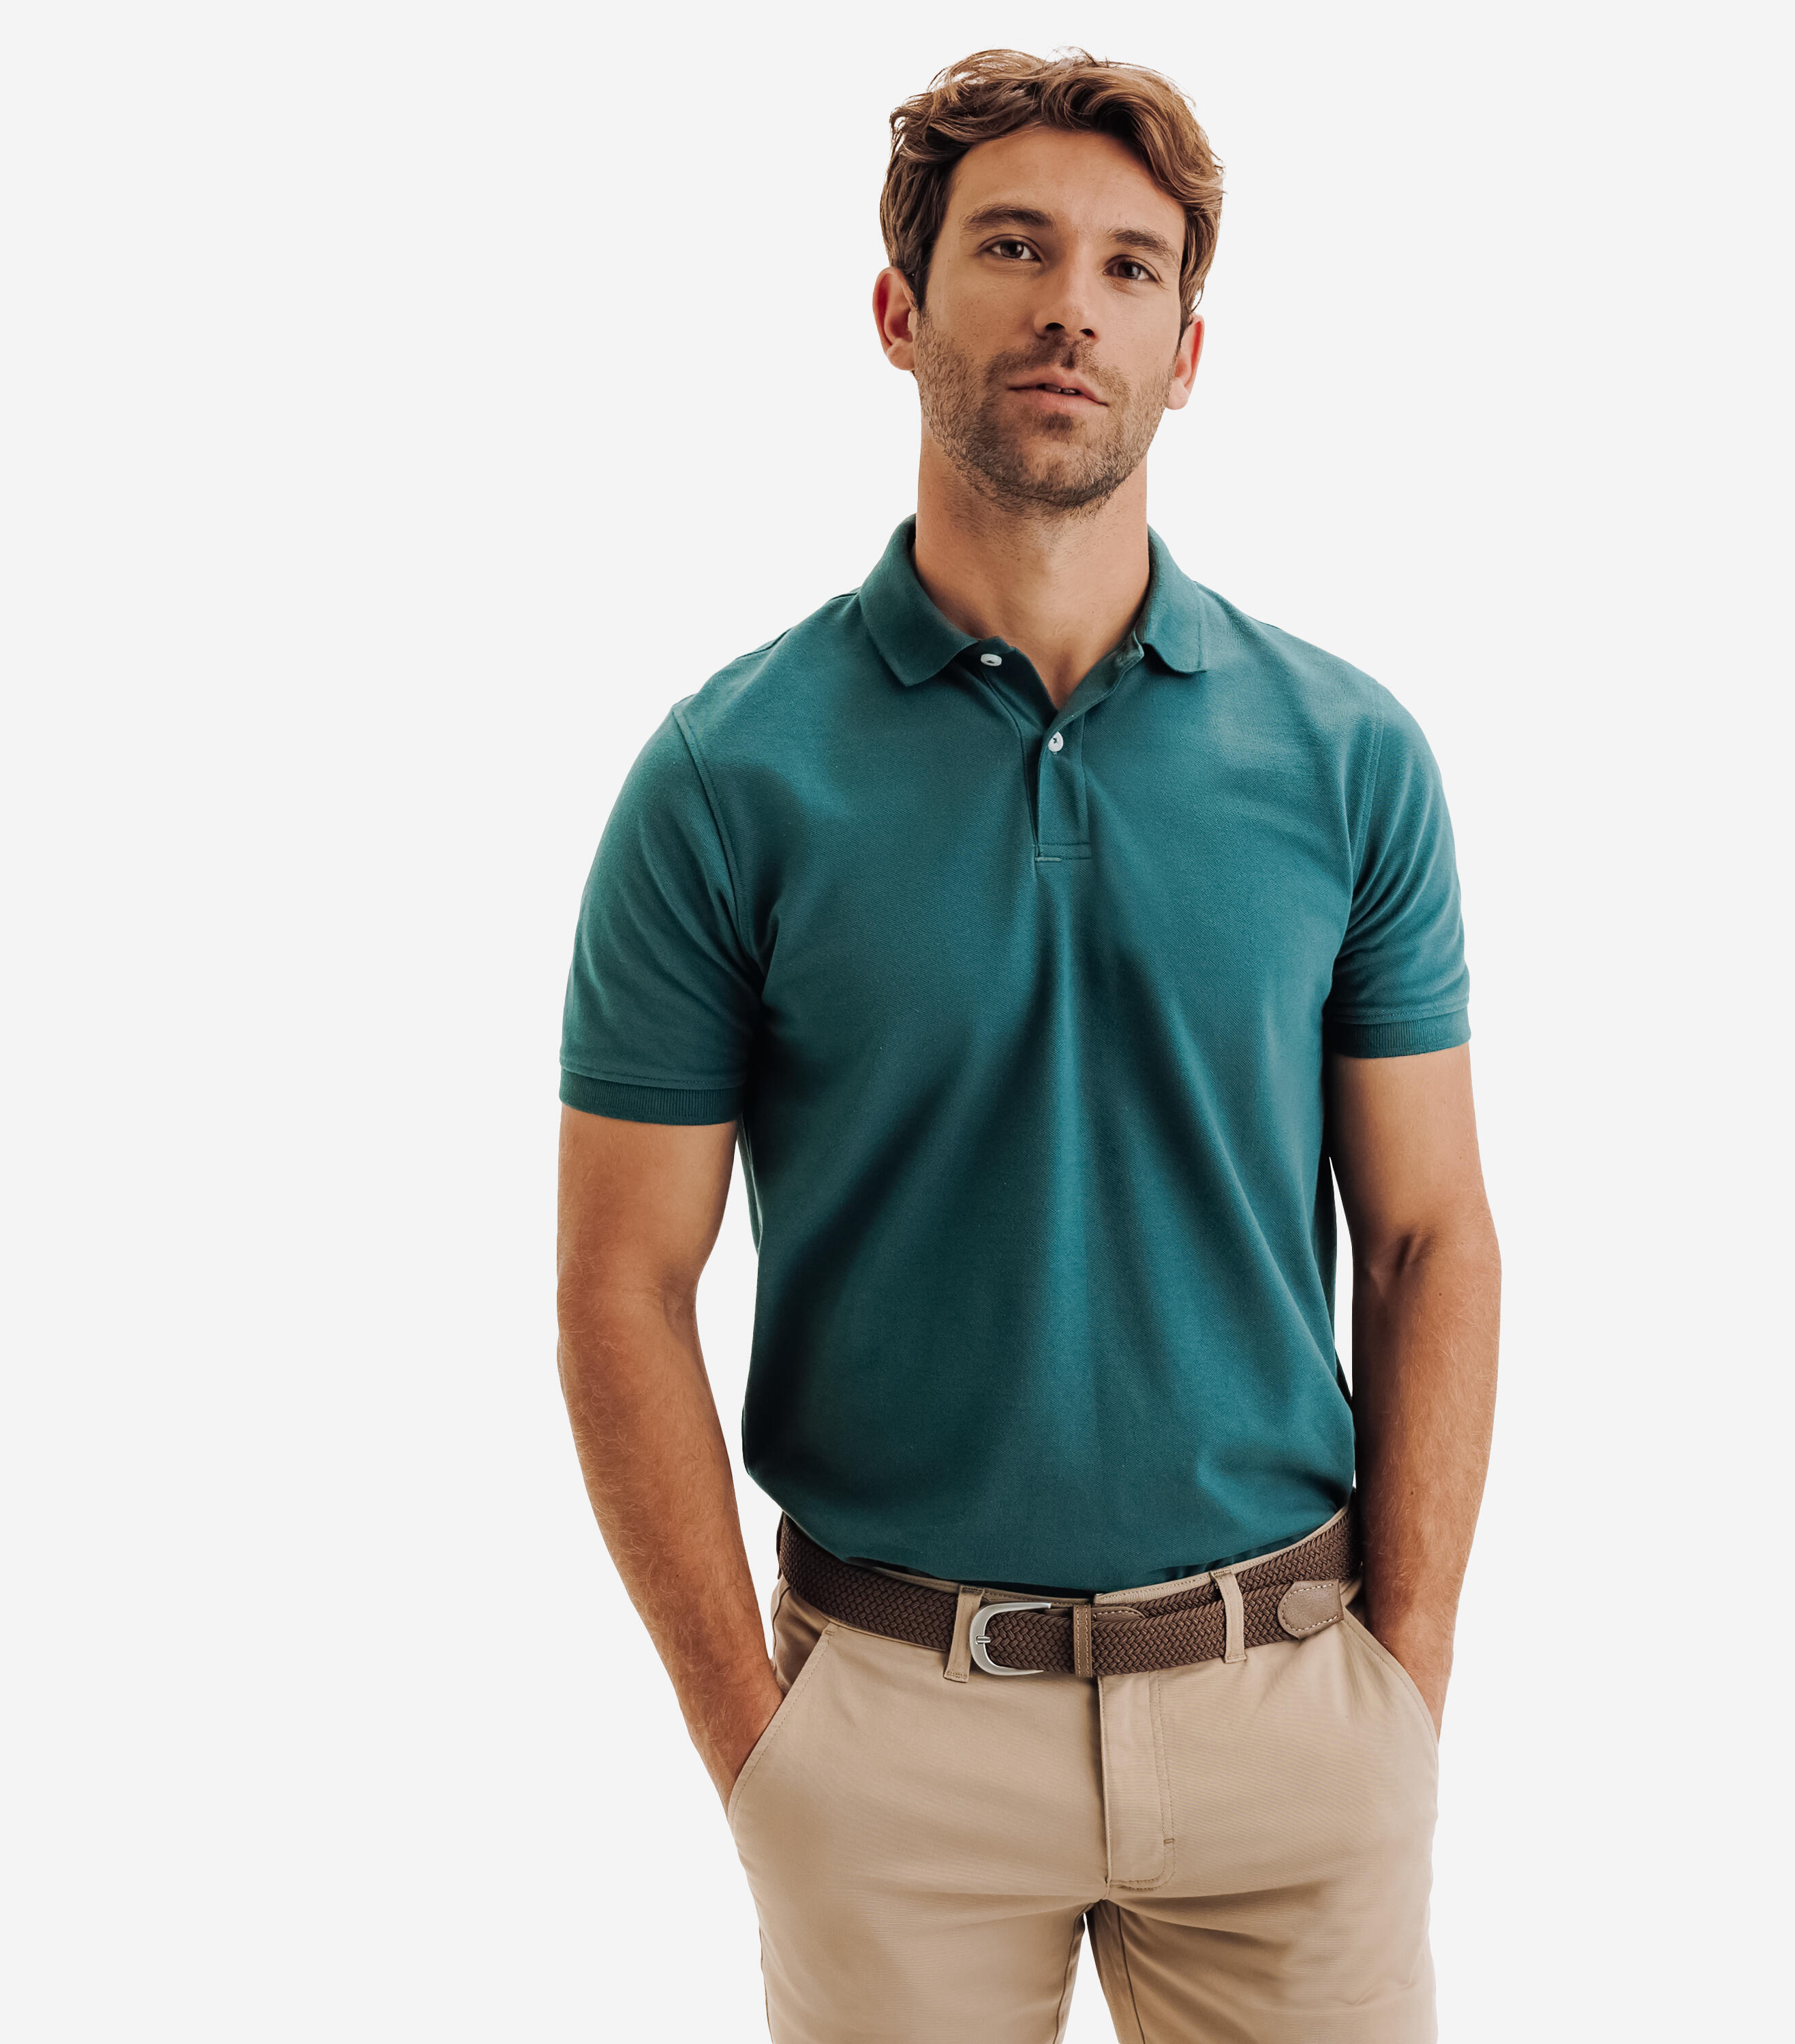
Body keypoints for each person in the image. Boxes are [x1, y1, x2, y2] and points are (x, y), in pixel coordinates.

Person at [555, 46, 1500, 2044]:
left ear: (1188, 352)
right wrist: (757, 1744)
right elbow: (619, 1280)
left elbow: (1430, 1236)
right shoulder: (725, 780)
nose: (1075, 303)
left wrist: (1401, 1684)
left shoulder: (1351, 761)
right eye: (1012, 247)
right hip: (890, 1732)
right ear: (899, 313)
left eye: (1131, 267)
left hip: (1287, 1713)